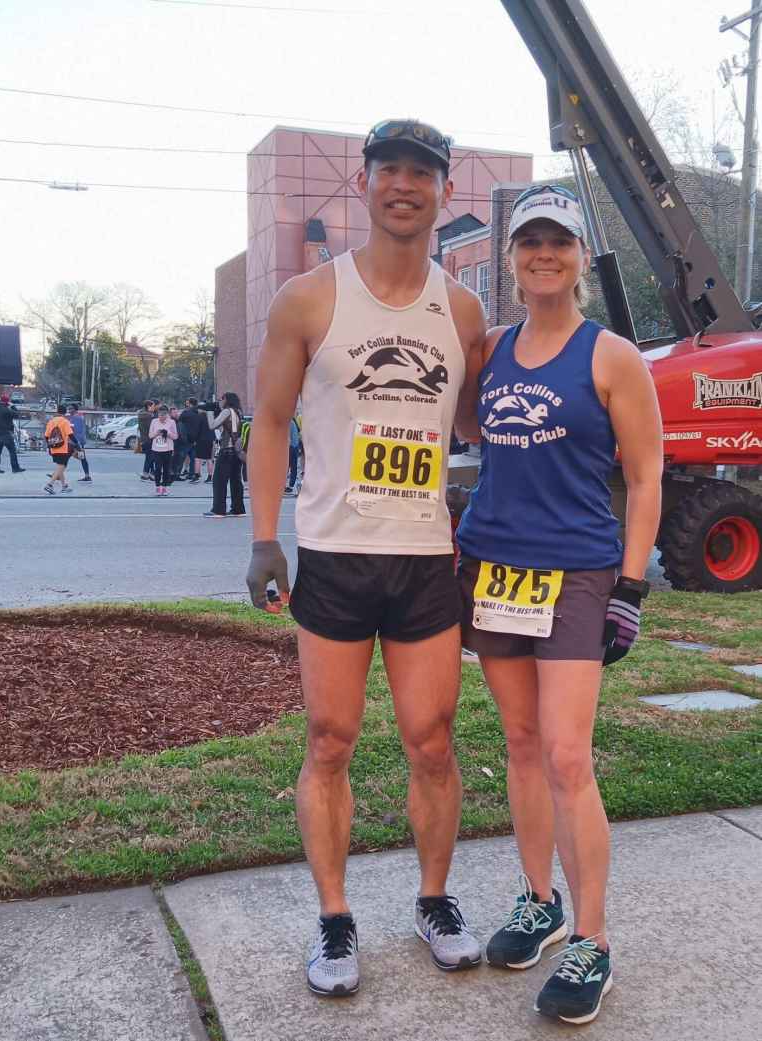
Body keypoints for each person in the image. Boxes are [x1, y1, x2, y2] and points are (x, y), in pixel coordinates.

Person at [246, 118, 488, 997]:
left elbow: (474, 424)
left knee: (432, 741)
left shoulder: (462, 310)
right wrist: (263, 535)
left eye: (421, 173)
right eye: (388, 169)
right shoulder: (310, 298)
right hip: (337, 556)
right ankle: (336, 919)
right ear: (364, 182)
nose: (403, 184)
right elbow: (267, 419)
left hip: (425, 557)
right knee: (330, 739)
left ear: (443, 193)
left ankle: (433, 900)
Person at [454, 184, 663, 1025]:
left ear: (580, 256)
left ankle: (593, 937)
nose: (544, 253)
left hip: (577, 572)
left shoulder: (612, 355)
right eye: (529, 241)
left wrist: (632, 587)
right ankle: (536, 900)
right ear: (511, 257)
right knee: (520, 741)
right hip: (495, 566)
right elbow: (467, 429)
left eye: (559, 241)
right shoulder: (493, 349)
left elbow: (647, 476)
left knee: (569, 756)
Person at [203, 392, 245, 517]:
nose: (220, 401)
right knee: (236, 481)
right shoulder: (238, 412)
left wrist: (209, 412)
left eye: (222, 399)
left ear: (226, 399)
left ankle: (218, 509)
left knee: (219, 480)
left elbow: (212, 425)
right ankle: (238, 509)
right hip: (237, 451)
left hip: (227, 449)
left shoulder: (227, 411)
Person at [44, 404, 77, 494]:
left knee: (59, 467)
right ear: (65, 412)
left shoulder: (51, 421)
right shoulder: (65, 422)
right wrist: (77, 444)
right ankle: (50, 484)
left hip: (53, 447)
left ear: (57, 411)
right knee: (61, 466)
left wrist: (49, 446)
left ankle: (64, 486)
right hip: (62, 448)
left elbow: (46, 436)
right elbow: (70, 434)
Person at [0, 394, 26, 474]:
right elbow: (16, 414)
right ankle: (15, 468)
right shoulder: (7, 410)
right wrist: (12, 406)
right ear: (7, 402)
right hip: (6, 434)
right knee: (12, 451)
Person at [148, 404, 178, 496]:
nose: (161, 417)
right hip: (156, 449)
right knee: (157, 469)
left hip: (167, 449)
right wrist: (156, 433)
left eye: (163, 415)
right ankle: (157, 487)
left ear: (167, 415)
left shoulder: (171, 422)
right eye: (160, 415)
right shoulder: (154, 421)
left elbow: (176, 436)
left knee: (166, 469)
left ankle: (164, 487)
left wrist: (167, 433)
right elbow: (150, 435)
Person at [67, 404, 92, 482]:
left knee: (65, 457)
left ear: (75, 409)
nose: (69, 410)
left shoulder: (76, 418)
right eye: (68, 408)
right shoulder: (73, 418)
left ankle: (57, 474)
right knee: (82, 458)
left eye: (70, 408)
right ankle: (87, 476)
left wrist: (78, 443)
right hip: (75, 442)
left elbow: (78, 431)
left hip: (75, 442)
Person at [179, 397, 202, 482]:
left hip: (186, 438)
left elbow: (180, 421)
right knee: (193, 458)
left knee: (181, 457)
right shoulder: (199, 413)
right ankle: (191, 473)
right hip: (196, 438)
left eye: (187, 403)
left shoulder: (186, 412)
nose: (186, 404)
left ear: (190, 403)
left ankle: (177, 473)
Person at [194, 406, 215, 483]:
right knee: (209, 459)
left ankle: (197, 476)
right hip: (210, 439)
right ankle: (210, 477)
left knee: (197, 458)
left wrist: (194, 439)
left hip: (200, 439)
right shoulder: (210, 417)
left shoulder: (198, 417)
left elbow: (196, 429)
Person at [169, 406, 189, 481]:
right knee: (172, 460)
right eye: (174, 412)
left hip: (181, 443)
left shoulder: (180, 421)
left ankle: (177, 474)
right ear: (170, 414)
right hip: (173, 443)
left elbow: (183, 432)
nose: (176, 414)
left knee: (180, 459)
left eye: (176, 412)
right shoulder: (170, 422)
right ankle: (171, 474)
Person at [138, 400, 156, 481]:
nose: (154, 408)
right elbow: (151, 428)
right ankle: (145, 474)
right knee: (150, 457)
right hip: (149, 439)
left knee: (150, 457)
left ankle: (151, 474)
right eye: (153, 406)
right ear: (149, 406)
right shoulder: (149, 416)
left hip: (143, 438)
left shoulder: (141, 414)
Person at [284, 415, 301, 494]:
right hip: (295, 446)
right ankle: (290, 485)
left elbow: (288, 437)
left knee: (286, 467)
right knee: (293, 467)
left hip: (290, 447)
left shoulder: (288, 422)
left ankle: (286, 485)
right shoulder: (293, 422)